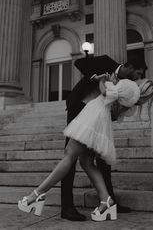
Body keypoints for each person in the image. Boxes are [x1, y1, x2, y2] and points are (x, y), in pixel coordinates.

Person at [17, 76, 142, 222]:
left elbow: (103, 90)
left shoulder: (114, 89)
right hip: (96, 118)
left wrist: (101, 79)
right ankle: (106, 200)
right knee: (86, 162)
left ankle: (37, 195)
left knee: (69, 155)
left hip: (93, 118)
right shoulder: (124, 90)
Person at [60, 54, 147, 221]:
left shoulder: (125, 84)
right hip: (78, 108)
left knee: (103, 158)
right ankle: (67, 206)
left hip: (97, 116)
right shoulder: (105, 62)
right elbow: (80, 62)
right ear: (128, 66)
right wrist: (95, 77)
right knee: (70, 157)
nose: (138, 77)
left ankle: (110, 201)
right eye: (138, 73)